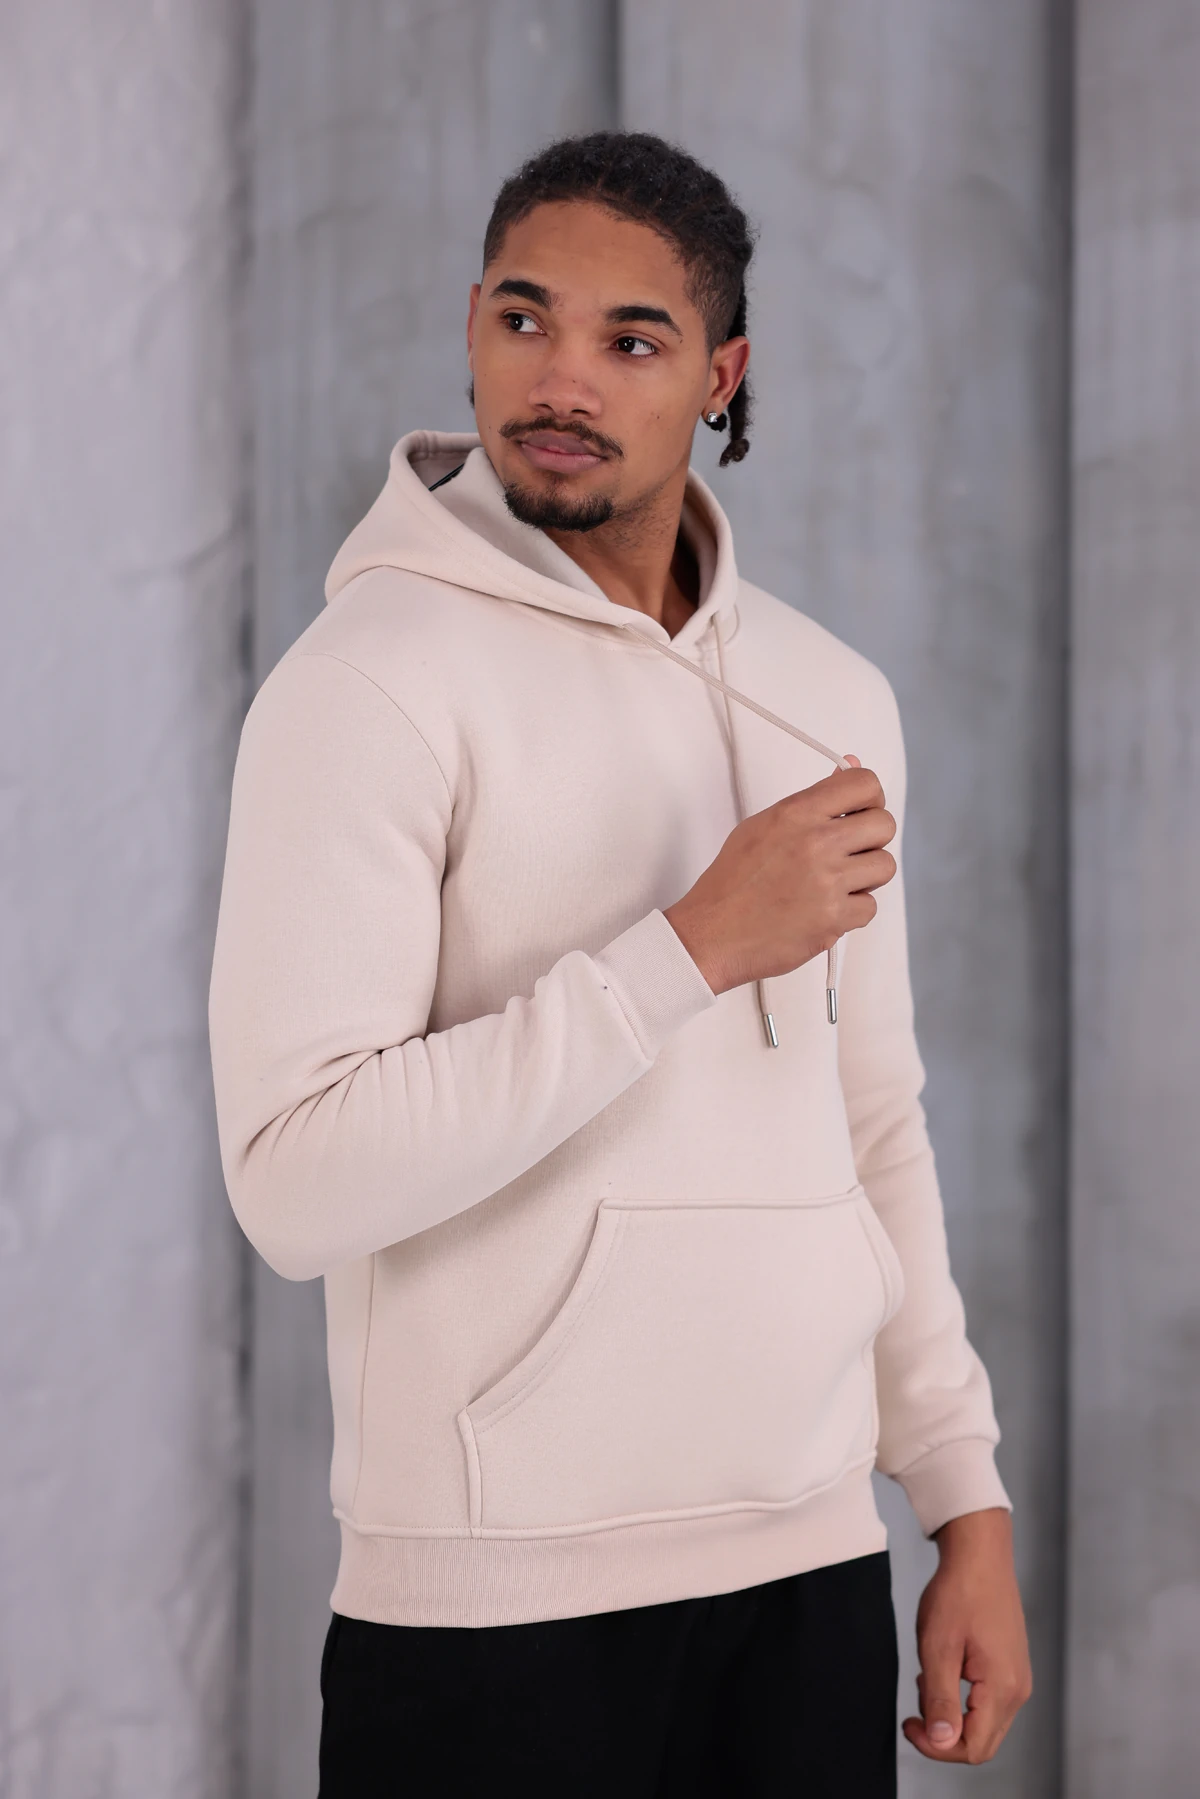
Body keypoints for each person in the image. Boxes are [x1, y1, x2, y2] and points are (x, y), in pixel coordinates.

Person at [208, 130, 1032, 1796]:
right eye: (525, 320)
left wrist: (963, 1499)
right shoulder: (367, 682)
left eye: (631, 340)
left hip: (809, 1574)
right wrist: (685, 951)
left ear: (722, 376)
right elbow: (293, 1180)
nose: (561, 380)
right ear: (472, 323)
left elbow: (873, 1123)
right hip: (493, 1613)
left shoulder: (829, 695)